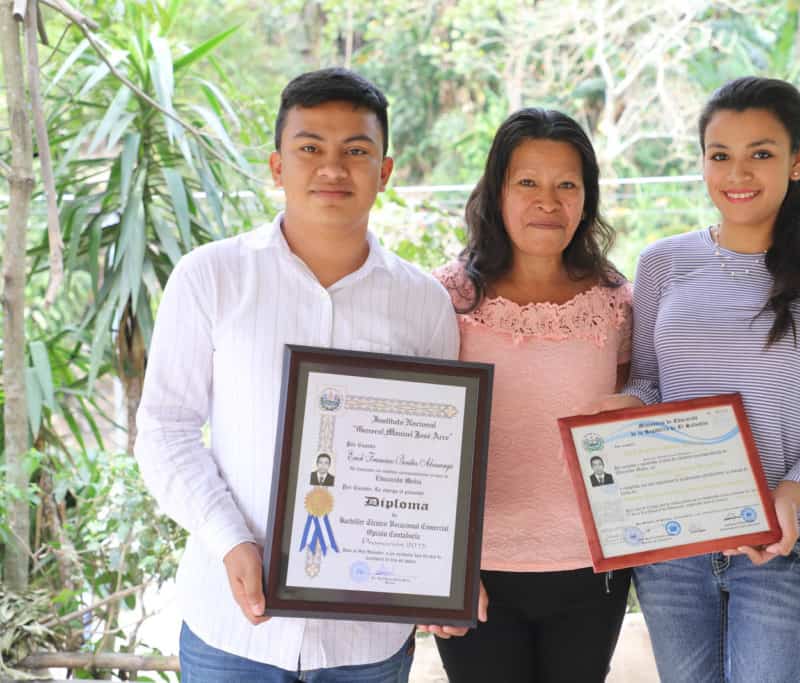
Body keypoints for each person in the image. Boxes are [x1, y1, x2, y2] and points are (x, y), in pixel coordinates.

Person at [135, 67, 481, 683]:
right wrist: (230, 539)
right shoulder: (210, 277)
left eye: (356, 151)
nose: (332, 168)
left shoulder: (423, 301)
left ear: (385, 170)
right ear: (276, 167)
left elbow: (435, 458)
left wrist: (441, 570)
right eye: (310, 149)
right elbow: (166, 429)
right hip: (232, 628)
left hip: (366, 637)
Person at [596, 77, 800, 683]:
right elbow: (651, 384)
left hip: (778, 539)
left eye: (762, 153)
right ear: (702, 161)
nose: (737, 173)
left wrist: (788, 499)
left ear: (798, 159)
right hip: (674, 539)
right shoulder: (663, 262)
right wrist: (624, 407)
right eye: (720, 155)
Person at [433, 108, 633, 683]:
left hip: (593, 569)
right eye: (528, 182)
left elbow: (633, 406)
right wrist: (438, 568)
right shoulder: (448, 295)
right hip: (477, 570)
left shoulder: (618, 299)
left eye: (566, 184)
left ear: (586, 199)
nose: (548, 201)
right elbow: (422, 437)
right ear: (496, 191)